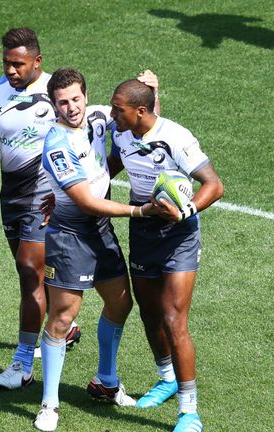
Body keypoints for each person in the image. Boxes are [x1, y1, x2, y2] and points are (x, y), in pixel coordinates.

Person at [33, 68, 161, 432]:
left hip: (100, 230)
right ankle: (49, 403)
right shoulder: (56, 144)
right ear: (53, 104)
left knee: (121, 302)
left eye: (75, 99)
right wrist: (139, 210)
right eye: (62, 102)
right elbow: (86, 202)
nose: (71, 107)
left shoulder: (101, 116)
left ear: (86, 96)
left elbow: (145, 119)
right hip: (70, 234)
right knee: (62, 316)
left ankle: (106, 380)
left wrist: (152, 88)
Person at [0, 28, 82, 390]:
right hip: (10, 196)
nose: (11, 70)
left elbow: (91, 125)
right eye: (6, 63)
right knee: (33, 273)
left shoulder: (56, 94)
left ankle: (22, 364)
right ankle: (67, 325)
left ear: (37, 61)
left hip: (45, 196)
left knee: (29, 269)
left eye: (19, 64)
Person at [108, 79, 223, 432]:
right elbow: (109, 170)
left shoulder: (176, 137)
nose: (112, 115)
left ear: (141, 111)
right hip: (143, 228)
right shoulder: (122, 134)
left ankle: (189, 412)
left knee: (175, 320)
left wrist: (183, 212)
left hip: (179, 234)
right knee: (150, 313)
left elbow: (214, 185)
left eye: (118, 109)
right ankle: (167, 377)